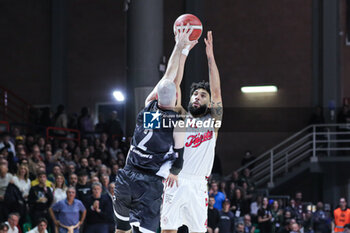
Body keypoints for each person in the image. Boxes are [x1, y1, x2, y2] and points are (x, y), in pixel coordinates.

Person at [113, 25, 194, 233]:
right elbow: (180, 155)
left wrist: (180, 48)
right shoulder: (177, 121)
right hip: (150, 182)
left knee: (121, 229)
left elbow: (168, 79)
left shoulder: (146, 111)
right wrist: (175, 172)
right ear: (175, 99)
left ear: (157, 96)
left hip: (128, 175)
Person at [161, 30, 223, 233]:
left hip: (198, 184)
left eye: (202, 95)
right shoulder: (180, 115)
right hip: (176, 178)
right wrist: (183, 51)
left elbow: (216, 91)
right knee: (168, 229)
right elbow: (175, 84)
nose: (197, 96)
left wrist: (210, 57)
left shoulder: (213, 120)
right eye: (195, 94)